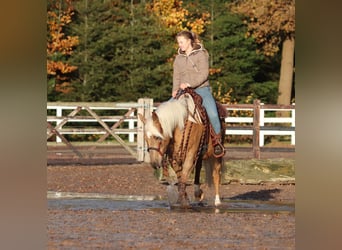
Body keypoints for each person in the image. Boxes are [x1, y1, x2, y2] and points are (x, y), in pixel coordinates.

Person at [172, 30, 224, 157]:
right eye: (179, 43)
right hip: (183, 91)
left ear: (189, 41)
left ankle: (217, 142)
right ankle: (169, 145)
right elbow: (176, 76)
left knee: (212, 113)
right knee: (167, 111)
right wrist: (174, 90)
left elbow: (204, 74)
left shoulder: (201, 55)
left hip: (201, 89)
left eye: (182, 42)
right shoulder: (178, 58)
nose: (180, 45)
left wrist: (190, 84)